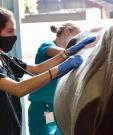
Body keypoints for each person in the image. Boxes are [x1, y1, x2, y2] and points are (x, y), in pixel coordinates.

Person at [0, 7, 96, 135]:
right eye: (10, 31)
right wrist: (59, 69)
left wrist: (67, 53)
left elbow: (36, 69)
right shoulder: (46, 45)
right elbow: (18, 89)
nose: (14, 36)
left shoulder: (4, 57)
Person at [28, 23, 81, 135]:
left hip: (58, 109)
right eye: (77, 38)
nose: (78, 44)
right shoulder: (47, 45)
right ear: (67, 31)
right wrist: (75, 50)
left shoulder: (71, 59)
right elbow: (58, 52)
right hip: (42, 108)